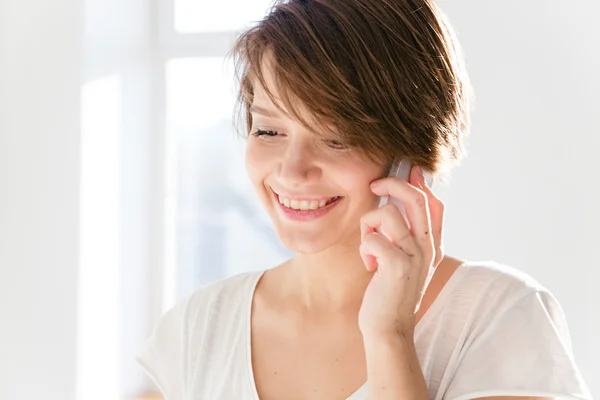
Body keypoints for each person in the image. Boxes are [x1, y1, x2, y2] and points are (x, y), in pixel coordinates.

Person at [136, 0, 592, 399]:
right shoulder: (200, 328)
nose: (292, 171)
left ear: (410, 150)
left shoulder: (498, 316)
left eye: (336, 138)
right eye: (269, 130)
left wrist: (390, 335)